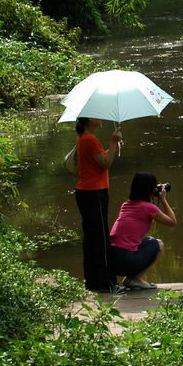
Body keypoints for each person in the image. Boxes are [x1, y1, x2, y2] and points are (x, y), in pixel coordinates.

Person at [74, 116, 123, 292]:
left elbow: (99, 160)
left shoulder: (84, 138)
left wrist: (113, 147)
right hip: (93, 192)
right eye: (96, 115)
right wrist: (112, 142)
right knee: (101, 239)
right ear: (88, 120)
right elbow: (105, 164)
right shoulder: (89, 139)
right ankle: (106, 284)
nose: (101, 118)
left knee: (92, 239)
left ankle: (93, 282)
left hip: (87, 192)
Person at [109, 172, 177, 290]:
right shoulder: (148, 208)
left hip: (111, 259)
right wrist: (163, 199)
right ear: (150, 190)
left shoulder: (125, 204)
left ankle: (131, 279)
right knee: (158, 244)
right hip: (125, 260)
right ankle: (135, 279)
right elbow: (172, 222)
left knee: (148, 240)